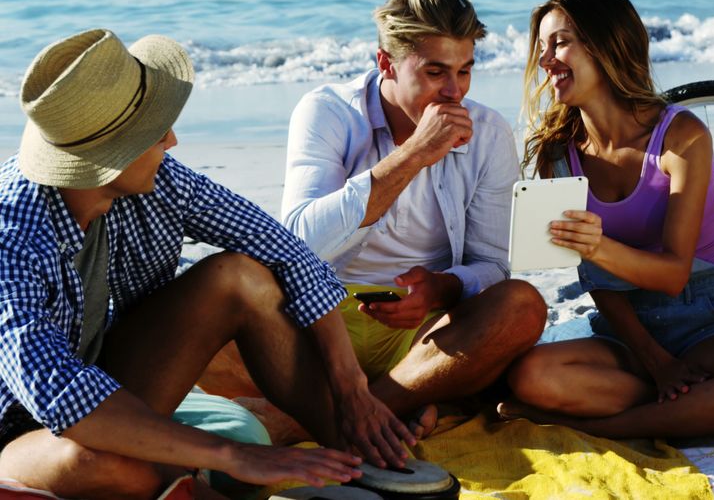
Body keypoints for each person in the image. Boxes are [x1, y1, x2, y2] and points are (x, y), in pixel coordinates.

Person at [0, 29, 419, 498]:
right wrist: (235, 457)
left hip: (105, 380)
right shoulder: (12, 237)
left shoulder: (161, 180)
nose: (173, 140)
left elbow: (284, 248)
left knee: (239, 277)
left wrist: (352, 389)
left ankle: (351, 446)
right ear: (107, 160)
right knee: (106, 466)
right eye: (156, 134)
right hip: (20, 432)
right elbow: (61, 396)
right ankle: (194, 477)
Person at [248, 0, 545, 438]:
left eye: (465, 71)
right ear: (385, 62)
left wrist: (444, 289)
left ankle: (356, 410)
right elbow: (299, 242)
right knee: (207, 312)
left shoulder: (488, 132)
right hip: (322, 318)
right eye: (435, 72)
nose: (454, 92)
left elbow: (493, 267)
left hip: (422, 332)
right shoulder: (327, 111)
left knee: (523, 306)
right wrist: (411, 157)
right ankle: (412, 401)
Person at [497, 0, 714, 439]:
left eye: (560, 42)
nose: (546, 60)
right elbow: (597, 282)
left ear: (607, 44)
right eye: (541, 48)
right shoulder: (557, 153)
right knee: (531, 376)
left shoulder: (681, 136)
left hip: (709, 317)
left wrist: (598, 245)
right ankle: (709, 408)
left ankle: (602, 428)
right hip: (627, 330)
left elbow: (674, 274)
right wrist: (657, 364)